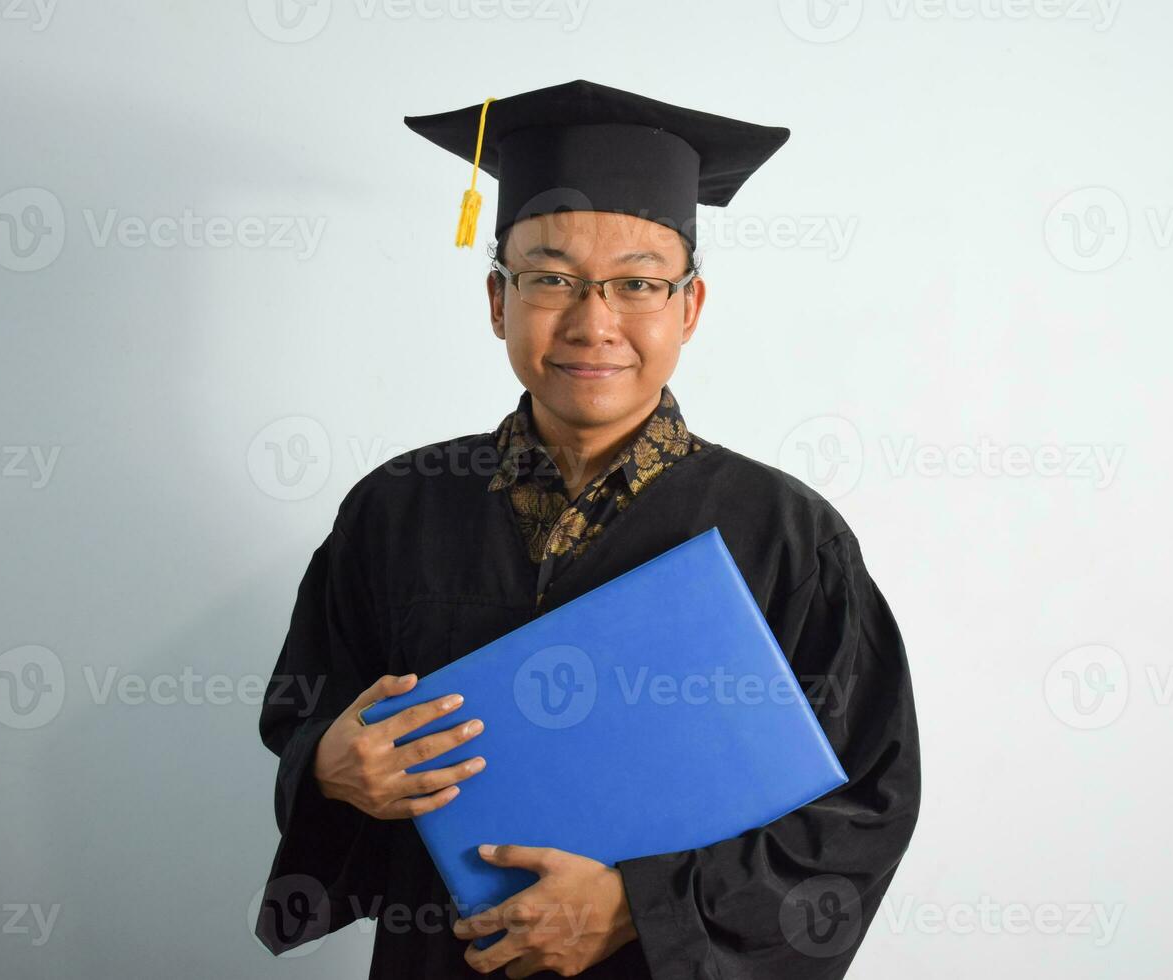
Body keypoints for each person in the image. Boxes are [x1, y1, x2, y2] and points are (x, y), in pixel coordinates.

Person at [254, 78, 921, 980]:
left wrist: (638, 907)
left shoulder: (790, 538)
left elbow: (862, 809)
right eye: (550, 278)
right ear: (498, 300)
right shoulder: (395, 508)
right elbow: (304, 720)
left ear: (689, 308)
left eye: (637, 283)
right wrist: (330, 768)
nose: (592, 321)